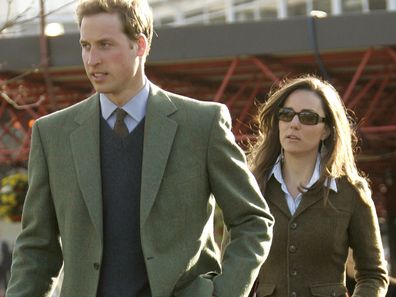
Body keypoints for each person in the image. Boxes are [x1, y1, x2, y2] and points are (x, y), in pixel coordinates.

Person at [5, 1, 274, 297]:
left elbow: (252, 220)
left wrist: (223, 293)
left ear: (140, 45)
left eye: (105, 45)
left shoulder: (201, 124)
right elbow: (36, 249)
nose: (92, 59)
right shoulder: (52, 134)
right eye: (85, 45)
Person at [248, 74, 389, 297]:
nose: (294, 124)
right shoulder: (252, 187)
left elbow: (373, 274)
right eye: (286, 115)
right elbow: (233, 265)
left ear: (326, 130)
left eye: (308, 117)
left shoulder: (350, 192)